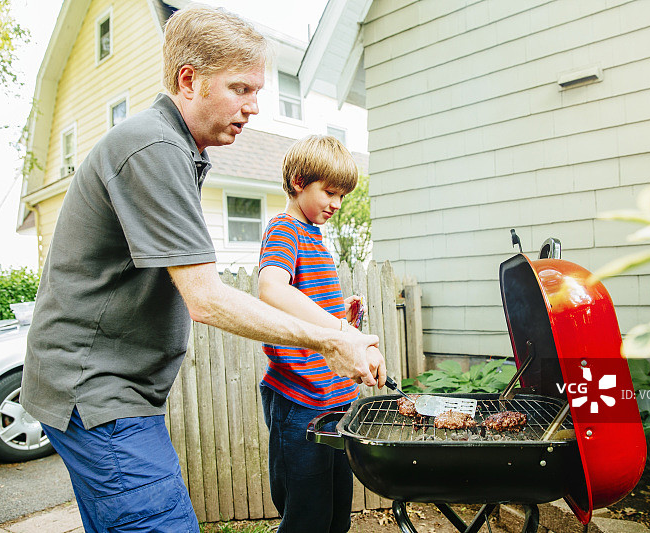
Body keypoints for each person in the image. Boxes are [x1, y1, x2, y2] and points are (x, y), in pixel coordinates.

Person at [19, 6, 386, 533]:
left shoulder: (175, 152)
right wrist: (332, 341)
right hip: (97, 391)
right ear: (188, 81)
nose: (255, 107)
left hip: (110, 392)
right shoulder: (153, 147)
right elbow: (207, 298)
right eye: (241, 89)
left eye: (257, 92)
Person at [257, 135, 371, 533]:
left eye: (343, 195)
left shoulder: (314, 236)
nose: (337, 204)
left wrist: (345, 315)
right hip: (300, 401)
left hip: (337, 400)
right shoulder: (285, 229)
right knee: (307, 516)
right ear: (299, 181)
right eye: (330, 192)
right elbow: (272, 288)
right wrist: (339, 326)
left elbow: (313, 310)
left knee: (338, 511)